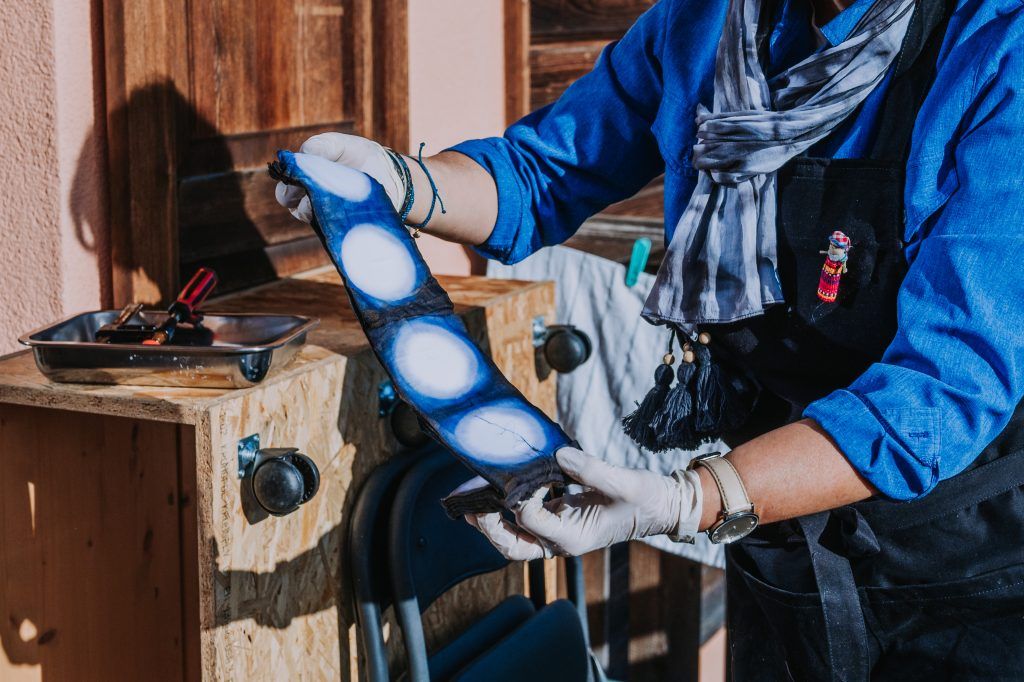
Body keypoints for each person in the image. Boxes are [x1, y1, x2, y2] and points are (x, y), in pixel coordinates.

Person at [277, 0, 1024, 677]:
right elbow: (542, 172)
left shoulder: (997, 47)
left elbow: (945, 387)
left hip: (962, 563)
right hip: (780, 533)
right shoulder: (705, 24)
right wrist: (400, 184)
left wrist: (685, 500)